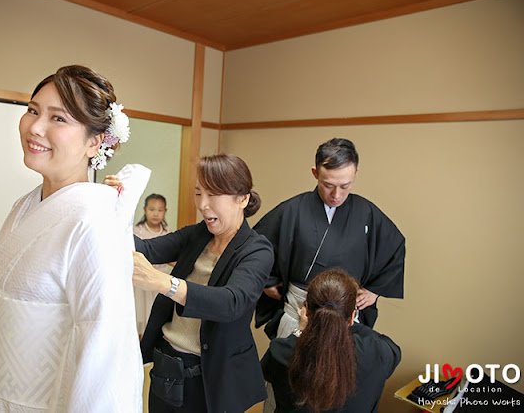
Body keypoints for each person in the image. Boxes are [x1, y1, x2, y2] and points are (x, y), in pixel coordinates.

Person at [0, 65, 148, 412]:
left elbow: (105, 350)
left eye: (58, 119)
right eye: (33, 110)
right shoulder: (24, 205)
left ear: (95, 141)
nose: (35, 127)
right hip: (0, 394)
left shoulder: (94, 222)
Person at [127, 154, 274, 412]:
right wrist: (113, 207)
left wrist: (166, 283)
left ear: (243, 198)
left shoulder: (256, 250)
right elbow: (145, 248)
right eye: (198, 194)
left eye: (213, 195)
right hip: (167, 367)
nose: (203, 205)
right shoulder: (198, 234)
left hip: (211, 378)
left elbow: (231, 302)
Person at [254, 138, 405, 340]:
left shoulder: (366, 212)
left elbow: (394, 246)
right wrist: (267, 281)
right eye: (328, 185)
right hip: (299, 310)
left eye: (345, 185)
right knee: (289, 368)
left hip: (344, 313)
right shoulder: (292, 210)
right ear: (315, 173)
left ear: (355, 174)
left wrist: (374, 291)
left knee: (339, 369)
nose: (336, 194)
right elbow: (258, 243)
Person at [261, 269, 401, 413]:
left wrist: (301, 331)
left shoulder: (280, 352)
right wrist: (342, 323)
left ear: (307, 311)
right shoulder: (376, 351)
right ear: (352, 316)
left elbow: (266, 371)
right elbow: (394, 351)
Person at [133, 194, 173, 334]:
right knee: (141, 312)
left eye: (160, 210)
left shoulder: (167, 232)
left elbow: (172, 254)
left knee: (155, 312)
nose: (156, 213)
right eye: (152, 209)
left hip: (161, 276)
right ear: (144, 210)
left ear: (165, 211)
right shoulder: (137, 231)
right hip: (141, 277)